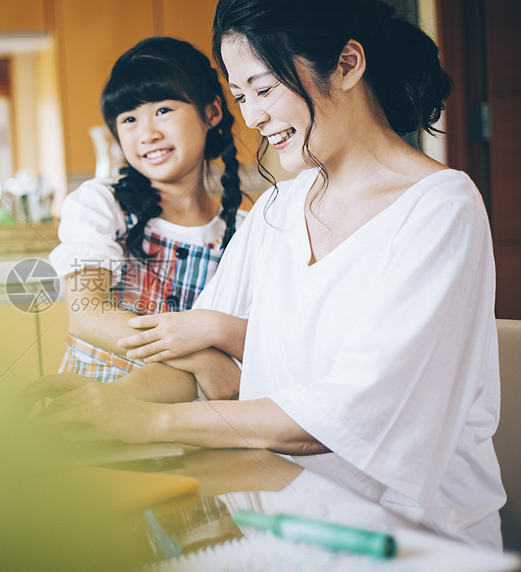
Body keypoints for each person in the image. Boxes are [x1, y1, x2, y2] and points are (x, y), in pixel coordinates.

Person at [25, 0, 505, 549]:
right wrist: (93, 412)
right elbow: (198, 364)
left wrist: (146, 422)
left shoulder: (440, 208)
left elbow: (344, 415)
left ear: (348, 64)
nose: (252, 117)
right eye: (240, 97)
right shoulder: (279, 208)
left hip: (408, 536)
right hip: (280, 506)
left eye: (265, 88)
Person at [48, 37, 246, 387]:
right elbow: (88, 314)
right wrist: (201, 359)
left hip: (181, 419)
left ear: (211, 112)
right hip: (90, 412)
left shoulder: (243, 231)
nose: (147, 133)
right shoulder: (99, 204)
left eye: (163, 111)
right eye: (129, 119)